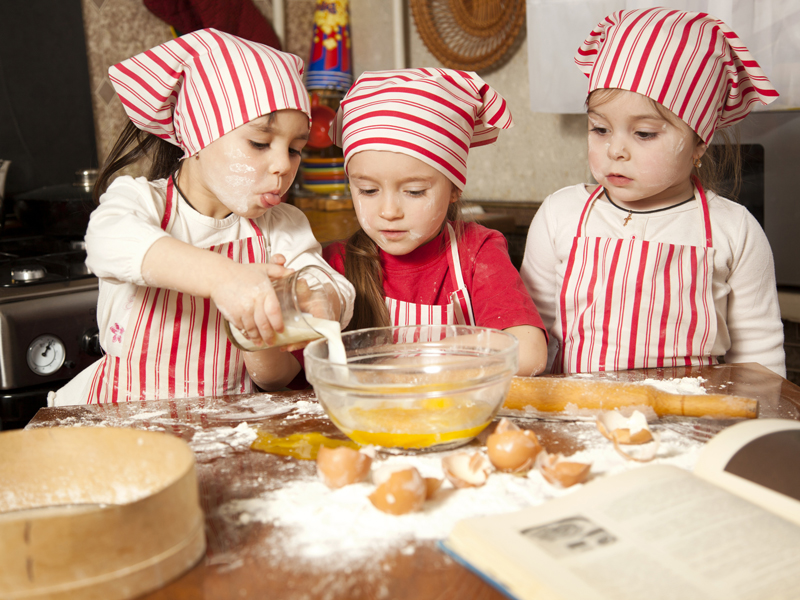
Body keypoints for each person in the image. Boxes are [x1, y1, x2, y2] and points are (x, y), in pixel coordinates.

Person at [52, 29, 354, 405]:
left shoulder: (282, 226)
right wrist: (225, 279)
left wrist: (319, 301)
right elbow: (107, 242)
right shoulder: (141, 203)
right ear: (198, 135)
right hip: (123, 420)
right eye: (260, 143)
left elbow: (333, 288)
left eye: (295, 149)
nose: (282, 165)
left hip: (229, 426)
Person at [520, 8, 786, 376]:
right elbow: (533, 337)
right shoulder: (559, 214)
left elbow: (759, 357)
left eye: (644, 133)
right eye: (600, 129)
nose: (616, 150)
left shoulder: (735, 230)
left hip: (695, 426)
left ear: (699, 143)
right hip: (576, 418)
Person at [323, 68, 548, 377]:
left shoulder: (475, 253)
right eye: (368, 190)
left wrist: (411, 364)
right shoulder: (336, 264)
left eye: (414, 191)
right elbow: (284, 374)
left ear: (454, 187)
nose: (389, 211)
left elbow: (529, 352)